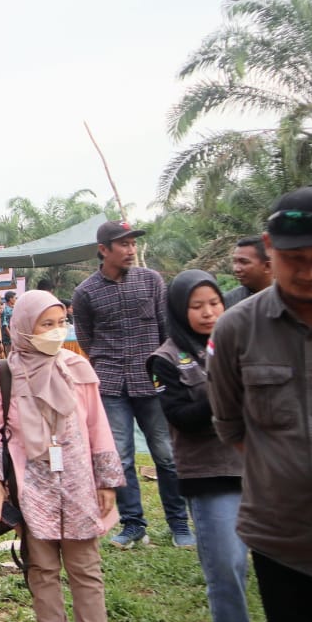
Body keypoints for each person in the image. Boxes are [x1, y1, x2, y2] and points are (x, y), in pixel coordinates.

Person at [209, 188, 312, 622]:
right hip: (285, 542)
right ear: (271, 249)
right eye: (296, 258)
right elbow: (230, 424)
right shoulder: (237, 330)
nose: (309, 271)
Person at [0, 291, 126, 622]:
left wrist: (106, 481)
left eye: (61, 323)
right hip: (33, 485)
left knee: (85, 565)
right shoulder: (5, 373)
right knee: (41, 566)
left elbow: (98, 426)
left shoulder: (78, 368)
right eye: (47, 324)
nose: (57, 332)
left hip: (78, 482)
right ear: (25, 327)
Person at [147, 271, 263, 622]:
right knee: (227, 564)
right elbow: (182, 418)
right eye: (196, 306)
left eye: (213, 303)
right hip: (209, 474)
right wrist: (227, 387)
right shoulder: (164, 359)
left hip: (262, 469)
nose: (208, 312)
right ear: (180, 310)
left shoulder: (243, 341)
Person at [71, 220, 190, 549]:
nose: (131, 250)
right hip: (110, 386)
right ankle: (133, 524)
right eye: (123, 244)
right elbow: (87, 341)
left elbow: (167, 333)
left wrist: (171, 376)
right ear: (103, 250)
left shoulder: (151, 282)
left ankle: (179, 524)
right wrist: (106, 366)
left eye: (133, 243)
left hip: (152, 383)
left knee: (165, 455)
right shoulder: (85, 293)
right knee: (120, 459)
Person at [225, 235, 272, 307]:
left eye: (244, 262)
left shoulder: (290, 299)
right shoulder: (229, 302)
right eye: (235, 262)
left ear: (267, 266)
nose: (236, 269)